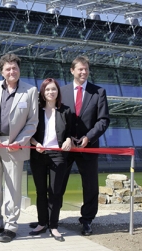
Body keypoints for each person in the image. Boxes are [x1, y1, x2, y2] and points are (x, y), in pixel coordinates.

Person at [0, 53, 38, 243]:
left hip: (14, 147)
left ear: (19, 70)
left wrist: (19, 141)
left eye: (15, 68)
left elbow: (32, 122)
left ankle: (11, 226)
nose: (12, 71)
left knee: (13, 189)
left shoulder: (30, 91)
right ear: (2, 71)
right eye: (8, 68)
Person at [60, 55, 110, 236]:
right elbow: (56, 119)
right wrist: (66, 137)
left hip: (88, 147)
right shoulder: (61, 91)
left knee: (90, 186)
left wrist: (88, 137)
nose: (84, 72)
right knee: (58, 182)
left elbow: (103, 120)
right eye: (80, 69)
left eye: (86, 69)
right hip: (66, 147)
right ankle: (52, 218)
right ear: (72, 70)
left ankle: (87, 220)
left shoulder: (99, 92)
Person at [28, 78, 72, 242]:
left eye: (53, 89)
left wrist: (69, 140)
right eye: (47, 90)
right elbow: (29, 133)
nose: (50, 92)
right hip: (38, 154)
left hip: (58, 155)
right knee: (40, 191)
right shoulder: (36, 111)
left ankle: (53, 226)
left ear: (57, 92)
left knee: (55, 192)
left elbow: (70, 132)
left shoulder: (65, 111)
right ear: (42, 92)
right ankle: (41, 223)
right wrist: (36, 143)